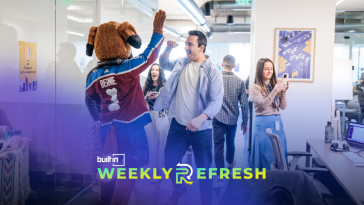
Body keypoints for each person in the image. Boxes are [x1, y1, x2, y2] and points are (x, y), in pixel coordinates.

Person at [154, 30, 224, 205]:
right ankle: (179, 187)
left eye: (190, 44)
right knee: (169, 163)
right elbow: (162, 63)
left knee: (204, 172)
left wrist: (200, 118)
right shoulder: (181, 63)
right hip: (178, 126)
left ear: (201, 47)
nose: (186, 47)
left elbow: (217, 101)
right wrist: (168, 50)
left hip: (202, 130)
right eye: (185, 44)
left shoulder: (213, 71)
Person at [213, 55, 249, 188]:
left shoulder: (215, 80)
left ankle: (218, 178)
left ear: (222, 65)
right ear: (234, 66)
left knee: (218, 146)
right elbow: (244, 104)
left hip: (217, 118)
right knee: (230, 142)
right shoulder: (240, 81)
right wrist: (245, 122)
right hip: (233, 119)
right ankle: (229, 163)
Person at [249, 58, 289, 170]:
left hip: (277, 124)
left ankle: (280, 181)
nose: (269, 71)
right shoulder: (254, 87)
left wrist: (284, 92)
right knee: (265, 155)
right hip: (263, 124)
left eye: (271, 69)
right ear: (260, 70)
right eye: (266, 69)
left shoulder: (274, 86)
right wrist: (275, 91)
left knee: (280, 154)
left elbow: (283, 107)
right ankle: (263, 183)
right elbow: (263, 105)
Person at [143, 63, 169, 183]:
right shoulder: (146, 87)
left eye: (156, 70)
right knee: (152, 145)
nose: (154, 72)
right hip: (150, 118)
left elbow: (170, 102)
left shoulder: (165, 86)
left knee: (162, 145)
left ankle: (162, 170)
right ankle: (154, 170)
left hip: (162, 117)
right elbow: (141, 103)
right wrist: (146, 97)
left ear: (160, 72)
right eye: (152, 70)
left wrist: (159, 97)